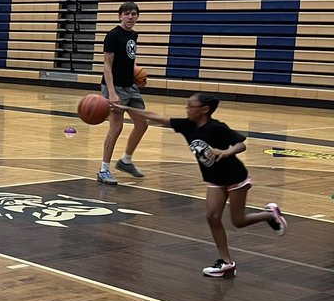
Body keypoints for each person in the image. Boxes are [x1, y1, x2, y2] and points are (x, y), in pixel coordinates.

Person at [118, 92, 286, 278]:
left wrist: (226, 152)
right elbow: (156, 117)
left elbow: (241, 144)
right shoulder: (186, 126)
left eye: (191, 106)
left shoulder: (217, 128)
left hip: (235, 178)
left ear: (204, 110)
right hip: (214, 179)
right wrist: (126, 109)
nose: (187, 109)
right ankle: (227, 263)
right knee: (212, 217)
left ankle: (269, 215)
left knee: (238, 222)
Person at [98, 1, 147, 184]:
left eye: (134, 14)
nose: (130, 17)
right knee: (116, 127)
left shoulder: (133, 34)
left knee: (142, 124)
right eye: (126, 13)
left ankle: (126, 160)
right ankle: (103, 169)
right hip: (115, 87)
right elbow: (107, 66)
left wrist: (137, 75)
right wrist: (111, 92)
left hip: (130, 86)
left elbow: (129, 59)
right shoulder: (113, 35)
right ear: (120, 16)